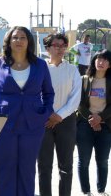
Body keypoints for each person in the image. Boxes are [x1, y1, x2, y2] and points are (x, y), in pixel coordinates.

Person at [0, 26, 54, 196]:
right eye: (15, 37)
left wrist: (45, 112)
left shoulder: (40, 65)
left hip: (33, 125)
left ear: (29, 41)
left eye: (22, 37)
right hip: (4, 124)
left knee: (27, 168)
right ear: (8, 41)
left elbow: (48, 92)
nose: (18, 41)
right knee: (6, 168)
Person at [38, 33, 81, 196]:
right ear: (48, 48)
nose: (60, 49)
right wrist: (48, 115)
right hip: (43, 121)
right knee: (44, 166)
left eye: (63, 46)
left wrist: (59, 116)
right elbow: (34, 94)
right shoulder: (39, 68)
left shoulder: (72, 70)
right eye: (56, 45)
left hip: (66, 122)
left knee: (66, 166)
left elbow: (75, 97)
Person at [76, 49, 111, 196]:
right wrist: (92, 119)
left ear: (110, 64)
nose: (101, 62)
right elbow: (79, 103)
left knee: (102, 160)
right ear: (94, 61)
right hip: (85, 124)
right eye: (98, 59)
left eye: (105, 60)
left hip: (106, 125)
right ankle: (86, 191)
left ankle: (101, 190)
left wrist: (100, 118)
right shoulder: (84, 79)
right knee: (83, 160)